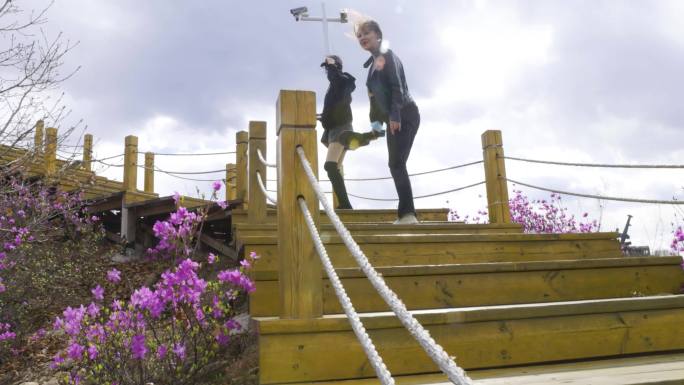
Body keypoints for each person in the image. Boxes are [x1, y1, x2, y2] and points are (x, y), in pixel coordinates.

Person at [356, 19, 421, 224]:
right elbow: (374, 101)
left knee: (396, 163)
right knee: (395, 163)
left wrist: (395, 116)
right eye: (359, 36)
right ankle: (405, 214)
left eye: (366, 33)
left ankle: (408, 215)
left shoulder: (388, 56)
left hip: (404, 114)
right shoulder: (374, 64)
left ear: (378, 35)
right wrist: (376, 126)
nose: (362, 38)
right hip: (396, 117)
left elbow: (397, 88)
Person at [319, 55, 355, 209]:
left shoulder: (344, 80)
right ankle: (345, 204)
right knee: (335, 169)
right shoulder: (335, 85)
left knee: (330, 166)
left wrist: (333, 66)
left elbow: (339, 81)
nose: (327, 70)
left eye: (329, 67)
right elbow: (334, 108)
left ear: (336, 67)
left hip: (341, 129)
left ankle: (345, 205)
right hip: (336, 128)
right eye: (326, 68)